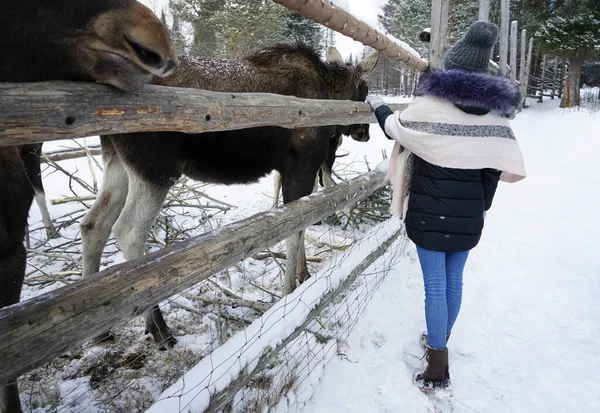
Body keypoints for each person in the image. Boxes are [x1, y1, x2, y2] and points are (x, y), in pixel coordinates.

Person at [365, 21, 527, 391]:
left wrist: (378, 105)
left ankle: (437, 365)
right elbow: (493, 169)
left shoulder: (429, 106)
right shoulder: (496, 117)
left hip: (429, 211)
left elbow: (397, 128)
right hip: (470, 215)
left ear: (452, 67)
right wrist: (480, 206)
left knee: (435, 287)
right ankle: (441, 340)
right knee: (454, 282)